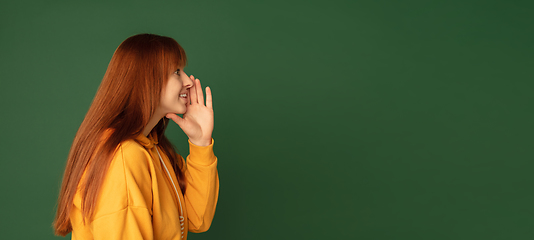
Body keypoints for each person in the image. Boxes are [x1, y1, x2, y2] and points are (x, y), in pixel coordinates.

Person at [52, 33, 219, 240]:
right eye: (177, 71)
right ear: (148, 79)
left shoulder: (154, 148)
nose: (188, 81)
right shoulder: (124, 157)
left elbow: (196, 219)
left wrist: (200, 142)